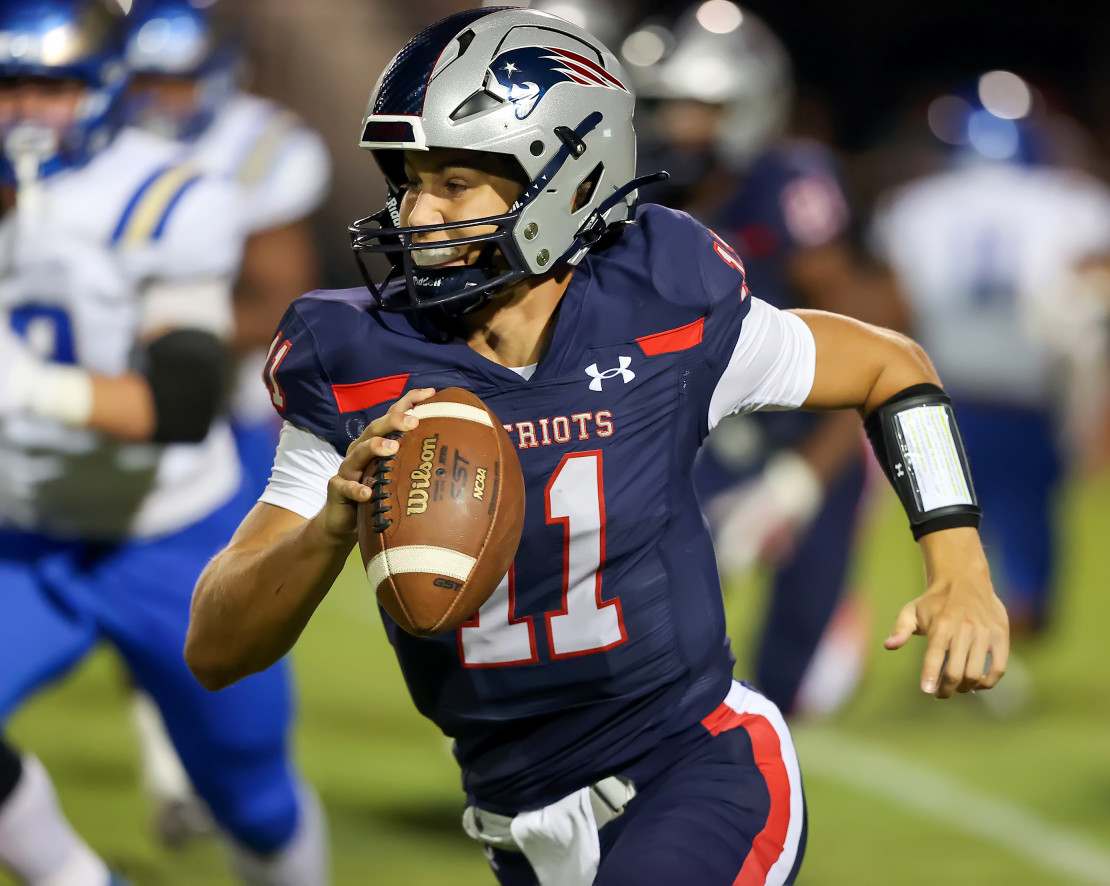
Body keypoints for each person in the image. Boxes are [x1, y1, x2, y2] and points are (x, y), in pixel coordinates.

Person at [185, 8, 1008, 886]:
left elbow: (891, 366)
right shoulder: (352, 358)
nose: (416, 210)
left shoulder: (661, 297)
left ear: (565, 182)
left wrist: (957, 565)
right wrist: (328, 528)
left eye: (455, 181)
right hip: (519, 825)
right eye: (409, 179)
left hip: (696, 773)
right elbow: (215, 647)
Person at [0, 2, 327, 884]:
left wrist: (29, 389)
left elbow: (178, 402)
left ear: (104, 90)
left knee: (252, 802)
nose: (24, 112)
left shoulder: (171, 195)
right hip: (25, 533)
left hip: (173, 533)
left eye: (50, 88)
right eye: (8, 87)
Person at [620, 1, 909, 717]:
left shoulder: (789, 185)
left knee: (793, 676)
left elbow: (871, 348)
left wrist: (800, 483)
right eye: (668, 104)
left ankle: (830, 625)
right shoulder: (646, 189)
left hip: (804, 426)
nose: (678, 124)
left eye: (700, 105)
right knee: (650, 621)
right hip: (695, 425)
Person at [119, 0, 332, 845]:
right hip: (94, 415)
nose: (164, 99)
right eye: (150, 78)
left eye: (180, 78)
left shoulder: (265, 148)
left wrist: (156, 341)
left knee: (214, 607)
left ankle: (197, 773)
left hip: (231, 414)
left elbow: (278, 299)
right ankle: (177, 769)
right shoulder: (84, 141)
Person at [872, 71, 1110, 647]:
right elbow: (1097, 278)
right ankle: (1008, 625)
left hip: (934, 392)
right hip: (1023, 393)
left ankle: (964, 632)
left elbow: (898, 301)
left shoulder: (915, 207)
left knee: (947, 531)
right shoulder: (1070, 202)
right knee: (1029, 535)